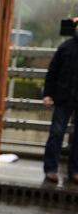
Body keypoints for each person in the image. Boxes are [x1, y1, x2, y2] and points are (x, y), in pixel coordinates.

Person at [42, 16, 78, 183]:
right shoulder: (65, 47)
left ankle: (75, 171)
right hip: (63, 97)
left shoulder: (65, 47)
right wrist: (47, 94)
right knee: (56, 133)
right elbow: (52, 72)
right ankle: (50, 169)